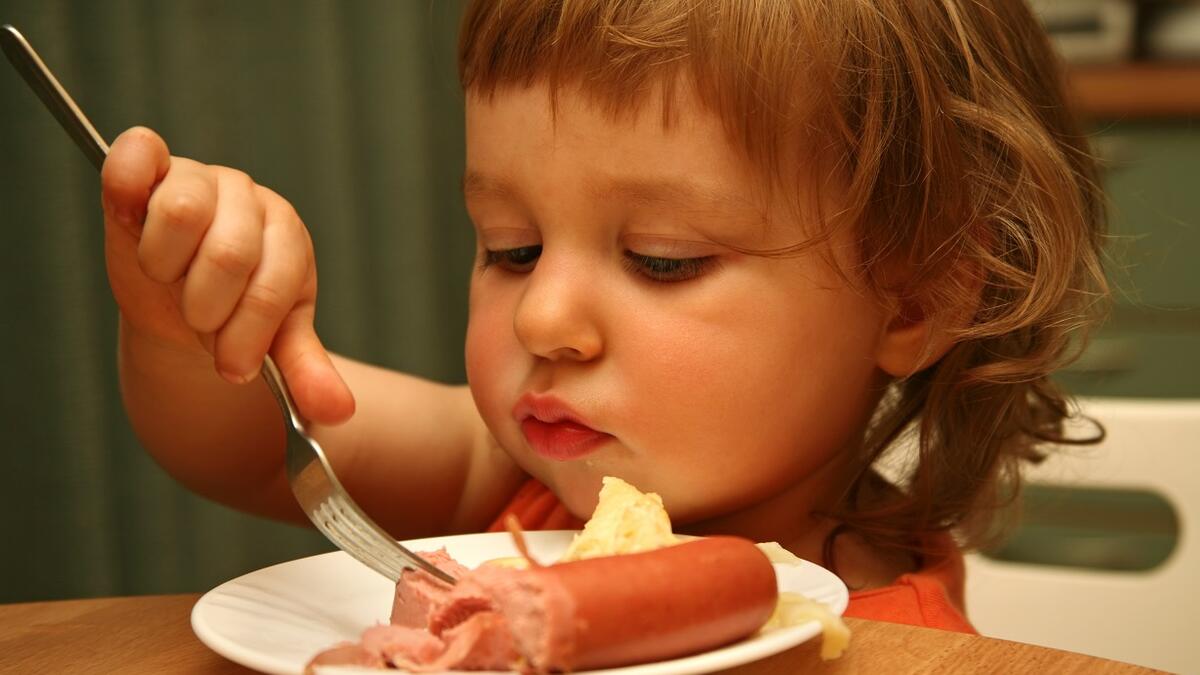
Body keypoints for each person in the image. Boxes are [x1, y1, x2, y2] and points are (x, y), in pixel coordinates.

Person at [98, 0, 1106, 633]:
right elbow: (249, 449)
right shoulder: (520, 483)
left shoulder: (899, 645)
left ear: (919, 295)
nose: (543, 317)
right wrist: (189, 327)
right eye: (511, 248)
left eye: (662, 260)